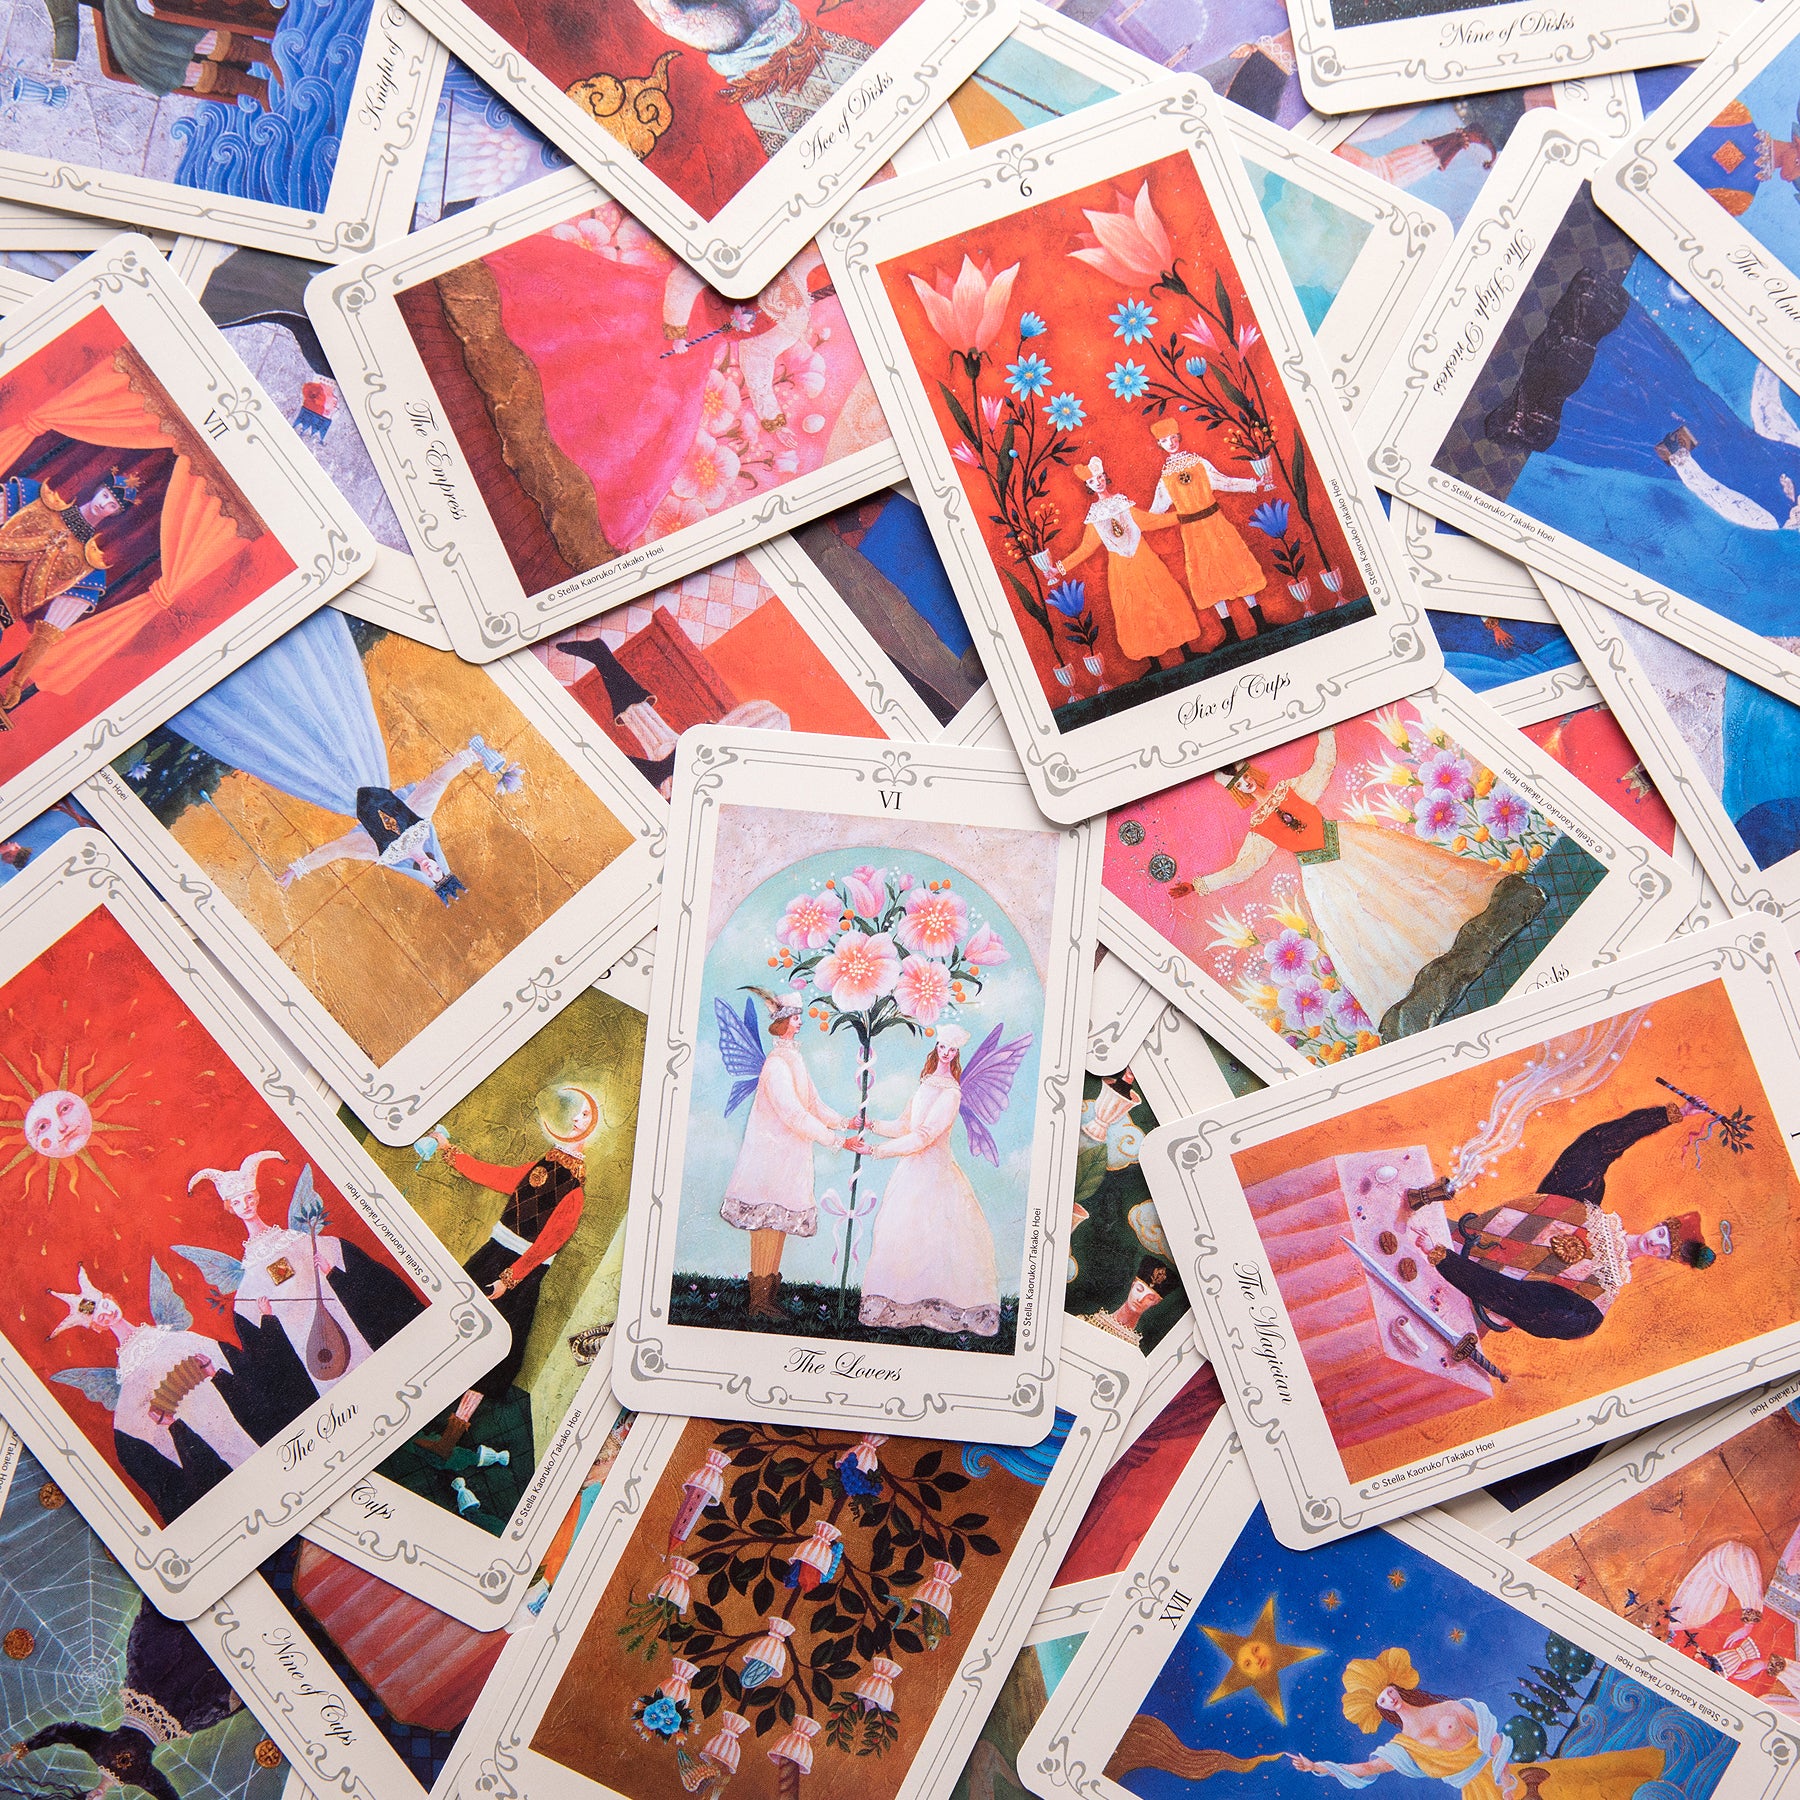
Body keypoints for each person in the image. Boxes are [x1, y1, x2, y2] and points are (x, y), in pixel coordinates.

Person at [1197, 730, 1542, 1040]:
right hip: (1323, 878)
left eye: (1245, 776)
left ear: (1252, 773)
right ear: (1236, 792)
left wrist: (1325, 730)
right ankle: (1423, 988)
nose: (1246, 784)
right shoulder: (1257, 828)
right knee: (1366, 928)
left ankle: (1477, 930)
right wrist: (1203, 885)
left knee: (1406, 883)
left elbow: (1322, 766)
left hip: (1352, 844)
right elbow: (1245, 865)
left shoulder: (1293, 788)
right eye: (1239, 784)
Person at [1406, 1100, 1716, 1341]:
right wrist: (1669, 1115)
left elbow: (1522, 1304)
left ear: (1663, 1258)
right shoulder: (1581, 1207)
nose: (1656, 1245)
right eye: (1662, 1236)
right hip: (1443, 1235)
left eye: (1664, 1250)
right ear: (1659, 1226)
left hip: (1455, 1299)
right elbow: (1597, 1146)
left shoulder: (1598, 1297)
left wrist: (1446, 1262)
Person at [416, 1084, 605, 1459]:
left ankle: (451, 1436)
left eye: (584, 1115)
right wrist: (447, 1149)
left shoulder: (575, 1190)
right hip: (494, 1255)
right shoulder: (543, 1165)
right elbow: (494, 1175)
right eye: (575, 1112)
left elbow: (548, 1244)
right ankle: (421, 1405)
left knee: (493, 1350)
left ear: (592, 1126)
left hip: (521, 1273)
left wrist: (509, 1279)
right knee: (455, 1325)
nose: (575, 1118)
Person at [177, 1151, 422, 1419]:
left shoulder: (296, 1240)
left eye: (248, 1198)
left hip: (334, 1315)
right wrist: (266, 1316)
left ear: (256, 1197)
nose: (245, 1205)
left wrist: (330, 1270)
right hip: (301, 1335)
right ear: (231, 1208)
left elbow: (336, 1262)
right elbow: (257, 1326)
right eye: (237, 1202)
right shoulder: (250, 1275)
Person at [47, 1263, 262, 1528]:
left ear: (110, 1299)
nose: (108, 1314)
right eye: (100, 1318)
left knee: (237, 1434)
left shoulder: (168, 1336)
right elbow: (134, 1422)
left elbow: (213, 1354)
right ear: (97, 1328)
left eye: (105, 1305)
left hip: (214, 1400)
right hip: (187, 1419)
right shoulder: (129, 1375)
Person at [1290, 1647, 1664, 1794]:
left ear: (1395, 1685)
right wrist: (1318, 1767)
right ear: (1380, 1708)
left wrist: (1503, 1776)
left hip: (1503, 1775)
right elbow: (1370, 1767)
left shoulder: (1447, 1708)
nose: (1389, 1698)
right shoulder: (1401, 1746)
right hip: (1476, 1793)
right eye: (1381, 1700)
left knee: (1572, 1787)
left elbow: (1490, 1735)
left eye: (1388, 1691)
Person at [1, 1592, 248, 1800]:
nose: (94, 1798)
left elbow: (64, 1730)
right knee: (220, 1679)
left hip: (147, 1687)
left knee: (171, 1633)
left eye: (87, 1799)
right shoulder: (138, 1776)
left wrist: (23, 1748)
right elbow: (166, 1793)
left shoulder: (97, 1747)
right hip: (182, 1713)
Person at [849, 1025, 1000, 1337]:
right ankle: (901, 1305)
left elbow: (923, 1136)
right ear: (936, 1047)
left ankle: (939, 1308)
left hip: (936, 1174)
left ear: (956, 1054)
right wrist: (871, 1124)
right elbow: (905, 1126)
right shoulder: (926, 1083)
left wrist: (876, 1151)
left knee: (939, 1239)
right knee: (901, 1236)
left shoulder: (952, 1093)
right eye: (942, 1047)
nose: (945, 1053)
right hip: (910, 1172)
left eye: (951, 1050)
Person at [719, 987, 847, 1320]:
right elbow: (793, 1114)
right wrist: (836, 1141)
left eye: (799, 1017)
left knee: (777, 1225)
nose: (799, 1022)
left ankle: (767, 1299)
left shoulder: (794, 1059)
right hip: (770, 1159)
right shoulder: (776, 1065)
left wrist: (845, 1123)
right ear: (782, 1022)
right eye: (794, 1017)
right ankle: (758, 1302)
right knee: (765, 1225)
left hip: (790, 1158)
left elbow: (813, 1104)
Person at [1050, 457, 1212, 670]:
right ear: (1088, 486)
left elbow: (1151, 522)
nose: (1098, 483)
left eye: (1099, 477)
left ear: (1105, 477)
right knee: (1136, 610)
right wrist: (1059, 568)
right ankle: (1154, 662)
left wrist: (1187, 515)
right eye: (1092, 481)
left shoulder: (1122, 503)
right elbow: (1086, 548)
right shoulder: (1095, 517)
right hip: (1121, 569)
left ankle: (1186, 651)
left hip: (1145, 559)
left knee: (1165, 597)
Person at [0, 471, 135, 718]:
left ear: (116, 513)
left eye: (112, 505)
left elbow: (48, 632)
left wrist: (17, 682)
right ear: (98, 489)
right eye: (106, 495)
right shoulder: (34, 498)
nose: (104, 504)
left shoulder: (90, 570)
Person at [1146, 417, 1271, 646]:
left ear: (1178, 438)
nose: (1170, 443)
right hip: (1193, 533)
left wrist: (1254, 484)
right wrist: (1134, 522)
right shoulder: (1165, 478)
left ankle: (1261, 624)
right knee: (1207, 576)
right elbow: (1156, 511)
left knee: (1236, 564)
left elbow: (1225, 482)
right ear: (1160, 445)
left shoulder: (1198, 462)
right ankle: (1231, 634)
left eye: (1173, 438)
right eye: (1164, 440)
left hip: (1216, 523)